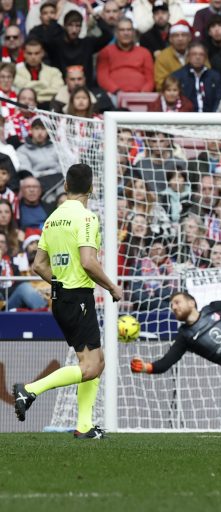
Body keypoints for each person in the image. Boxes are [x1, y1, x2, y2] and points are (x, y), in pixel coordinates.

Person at [12, 164, 123, 439]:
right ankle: (30, 389)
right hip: (78, 297)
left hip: (62, 297)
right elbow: (88, 261)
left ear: (65, 186)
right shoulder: (86, 218)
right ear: (91, 188)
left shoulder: (51, 219)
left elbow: (38, 265)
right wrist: (112, 287)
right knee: (90, 366)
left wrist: (60, 284)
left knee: (98, 361)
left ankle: (84, 425)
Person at [96, 18, 154, 96]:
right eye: (122, 30)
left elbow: (150, 79)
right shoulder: (106, 52)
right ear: (116, 33)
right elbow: (103, 77)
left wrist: (142, 94)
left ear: (133, 32)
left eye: (129, 30)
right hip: (113, 95)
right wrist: (117, 92)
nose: (126, 33)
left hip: (140, 95)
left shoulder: (145, 52)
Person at [171, 42, 221, 113]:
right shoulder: (177, 76)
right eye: (194, 54)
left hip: (211, 118)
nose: (198, 57)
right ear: (188, 56)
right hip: (186, 118)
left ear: (205, 57)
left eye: (201, 54)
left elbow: (219, 99)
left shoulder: (214, 76)